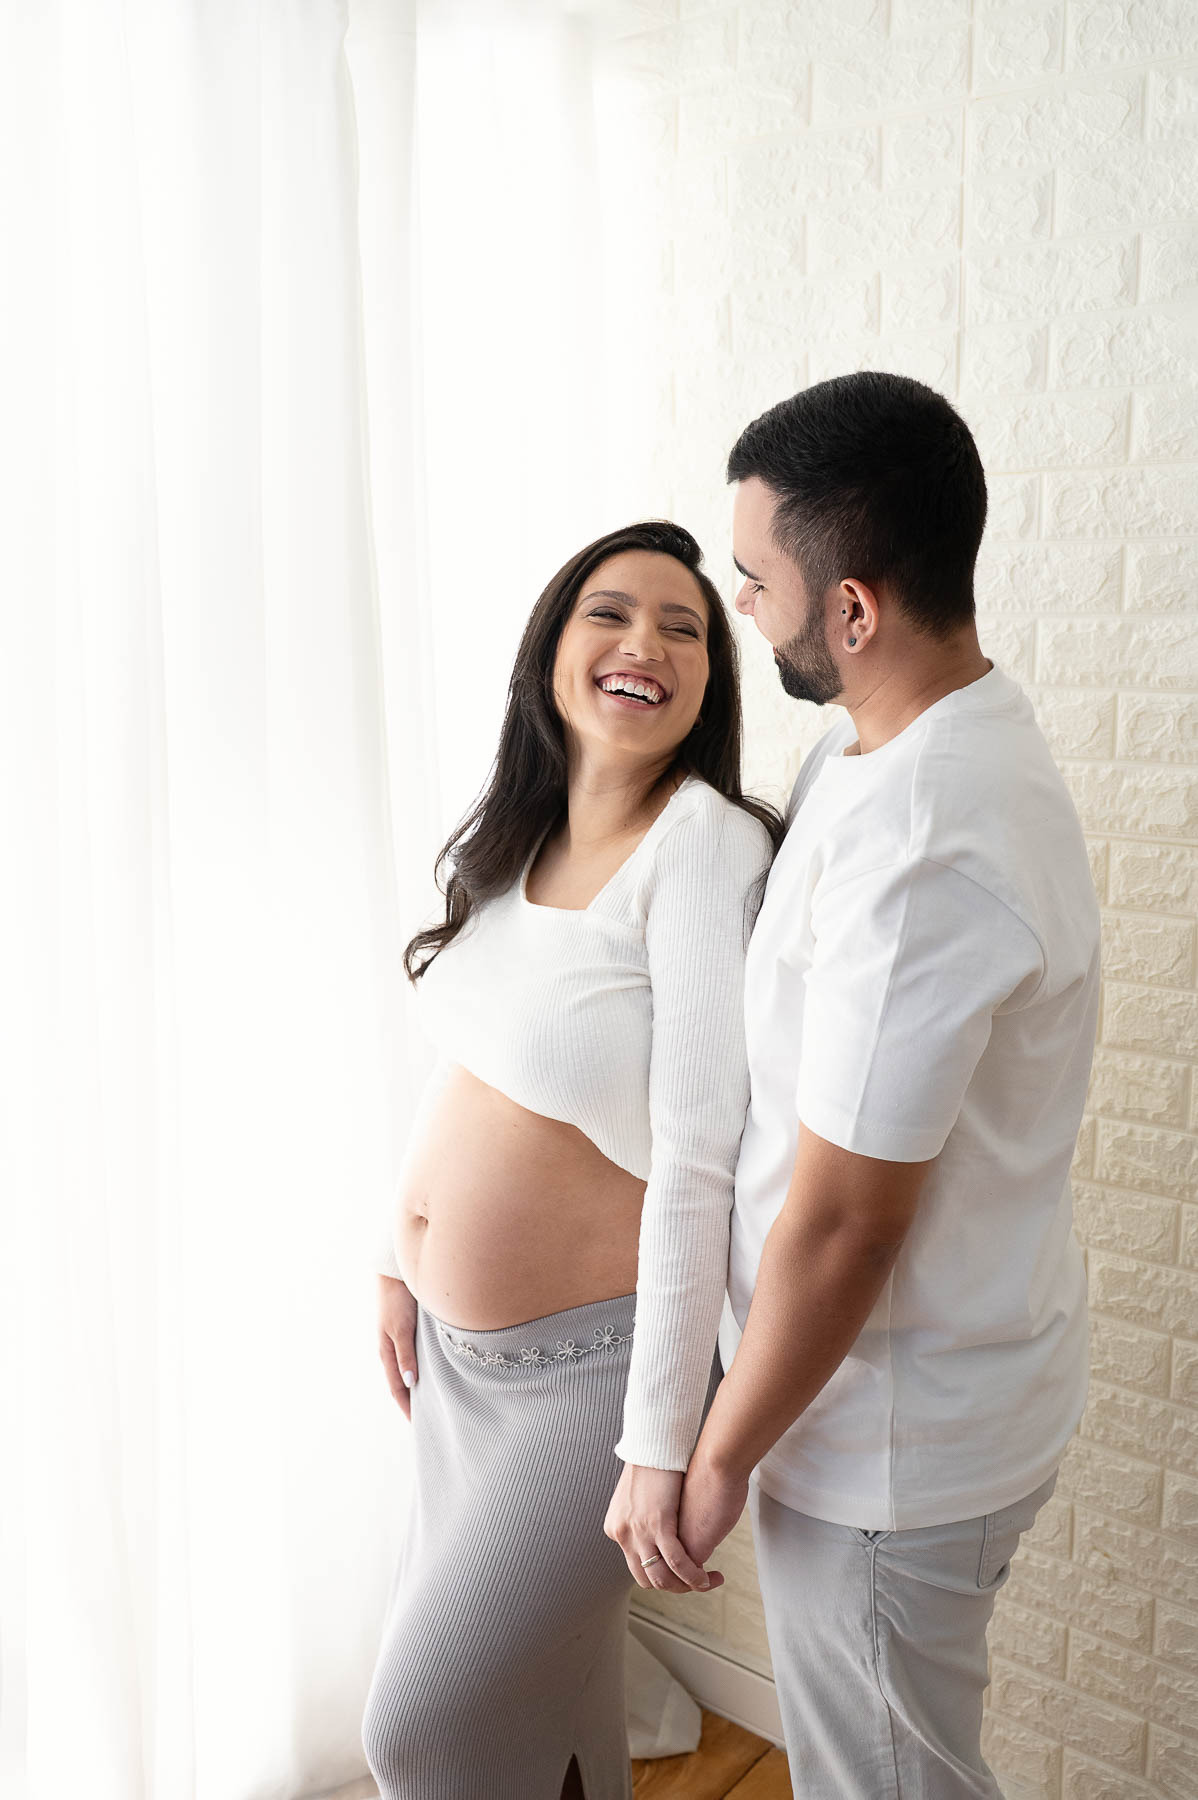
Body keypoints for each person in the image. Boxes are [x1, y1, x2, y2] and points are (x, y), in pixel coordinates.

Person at [675, 372, 1101, 1799]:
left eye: (754, 582)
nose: (742, 607)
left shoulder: (928, 839)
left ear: (850, 608)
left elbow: (849, 1223)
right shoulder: (882, 746)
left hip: (883, 1451)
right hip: (877, 1400)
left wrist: (717, 1454)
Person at [360, 520, 780, 1800]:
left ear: (708, 680)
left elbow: (704, 1152)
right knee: (548, 1699)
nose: (644, 643)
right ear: (552, 645)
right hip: (454, 1361)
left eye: (685, 627)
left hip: (588, 1386)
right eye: (610, 612)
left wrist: (663, 1440)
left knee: (417, 1728)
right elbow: (464, 1070)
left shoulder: (701, 843)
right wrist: (396, 1258)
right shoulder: (517, 840)